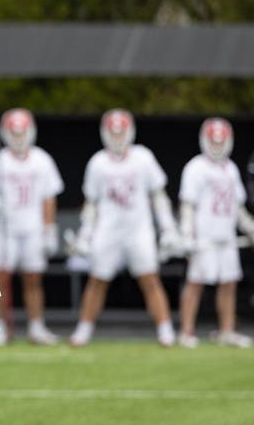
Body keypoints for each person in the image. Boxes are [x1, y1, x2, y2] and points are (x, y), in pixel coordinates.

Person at [68, 109, 179, 347]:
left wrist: (168, 228)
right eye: (113, 133)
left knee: (149, 279)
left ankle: (165, 328)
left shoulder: (143, 158)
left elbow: (158, 196)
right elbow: (92, 204)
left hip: (139, 229)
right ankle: (84, 329)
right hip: (108, 230)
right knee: (97, 280)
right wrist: (85, 235)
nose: (117, 138)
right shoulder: (98, 162)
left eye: (121, 133)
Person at [0, 108, 63, 345]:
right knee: (1, 279)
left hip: (33, 228)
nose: (18, 138)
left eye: (22, 133)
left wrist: (49, 230)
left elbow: (49, 198)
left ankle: (36, 326)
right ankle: (0, 327)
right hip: (6, 229)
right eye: (14, 134)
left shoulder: (42, 159)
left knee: (33, 278)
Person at [177, 118, 254, 348]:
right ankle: (186, 331)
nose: (217, 147)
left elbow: (237, 207)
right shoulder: (195, 168)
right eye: (213, 142)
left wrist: (250, 227)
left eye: (221, 143)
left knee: (229, 283)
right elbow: (187, 205)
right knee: (196, 283)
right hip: (204, 236)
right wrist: (187, 234)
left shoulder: (230, 169)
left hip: (226, 235)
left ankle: (227, 330)